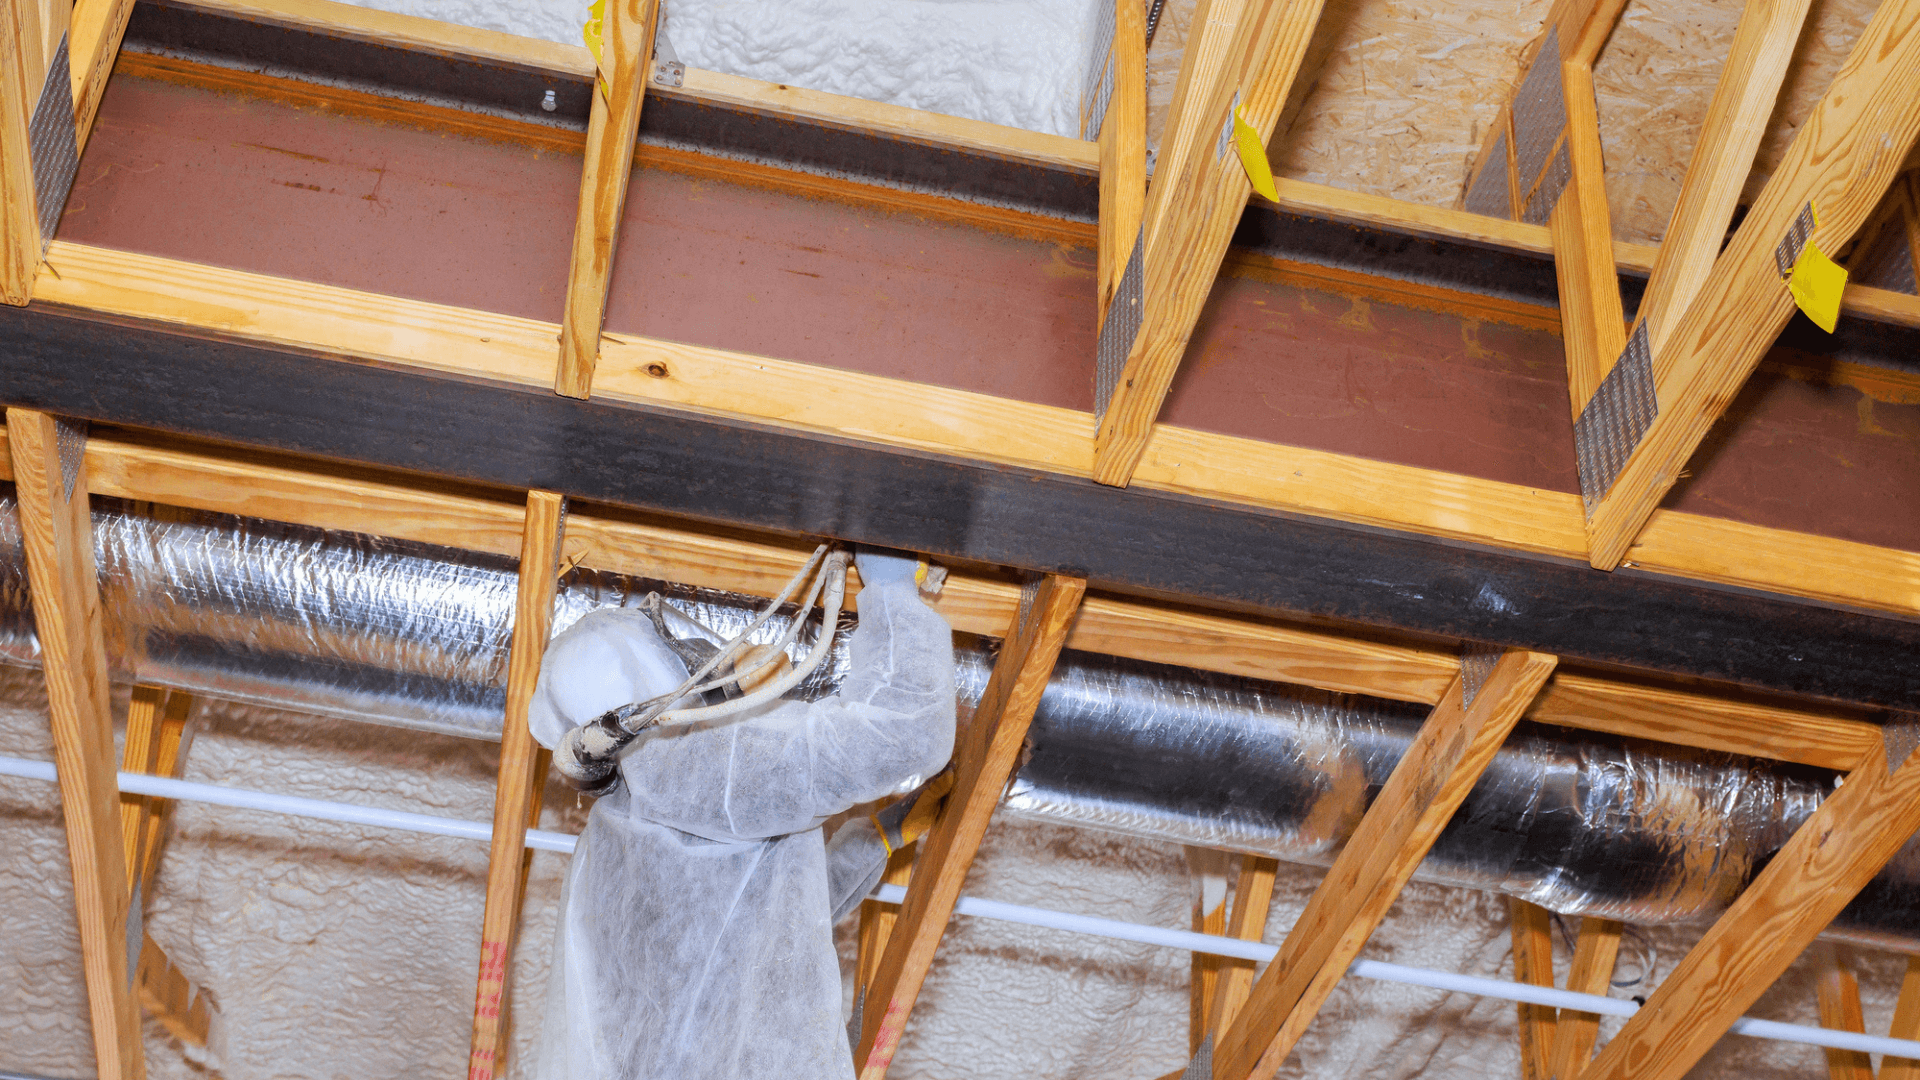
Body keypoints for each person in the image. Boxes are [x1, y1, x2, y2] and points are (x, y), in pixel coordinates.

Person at [526, 548, 956, 1080]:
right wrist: (891, 590)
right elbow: (904, 733)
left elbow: (760, 931)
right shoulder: (701, 767)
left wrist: (875, 841)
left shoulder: (623, 830)